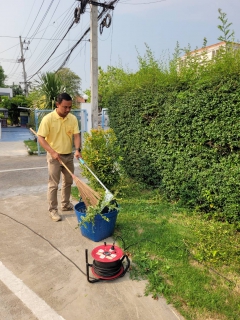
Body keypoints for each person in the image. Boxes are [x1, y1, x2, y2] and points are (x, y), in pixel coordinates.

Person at [37, 93, 81, 222]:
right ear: (57, 105)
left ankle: (65, 204)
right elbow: (40, 138)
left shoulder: (72, 119)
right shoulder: (48, 119)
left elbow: (77, 135)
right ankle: (53, 210)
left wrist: (77, 150)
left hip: (68, 156)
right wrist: (52, 152)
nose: (68, 110)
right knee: (54, 184)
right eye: (65, 107)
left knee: (68, 182)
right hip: (54, 157)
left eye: (70, 107)